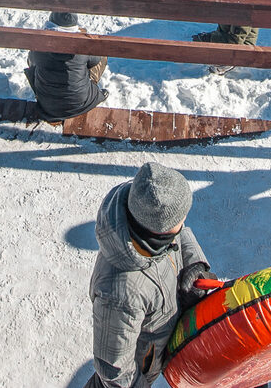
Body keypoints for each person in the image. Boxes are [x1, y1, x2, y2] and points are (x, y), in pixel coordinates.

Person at [87, 163, 214, 388]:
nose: (184, 221)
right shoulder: (121, 294)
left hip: (159, 342)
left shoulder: (145, 218)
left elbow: (180, 234)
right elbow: (114, 370)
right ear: (159, 231)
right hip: (136, 374)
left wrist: (194, 264)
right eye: (180, 218)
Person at [26, 12, 107, 120]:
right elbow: (96, 60)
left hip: (47, 104)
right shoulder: (83, 45)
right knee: (101, 55)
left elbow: (31, 60)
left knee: (33, 60)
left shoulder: (40, 44)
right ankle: (89, 83)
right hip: (80, 103)